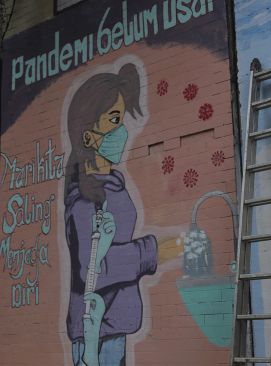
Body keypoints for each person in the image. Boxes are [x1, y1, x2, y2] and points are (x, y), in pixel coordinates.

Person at [64, 63, 158, 366]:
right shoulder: (82, 201)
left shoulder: (113, 187)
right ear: (89, 135)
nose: (122, 130)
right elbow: (92, 270)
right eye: (114, 119)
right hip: (95, 333)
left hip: (113, 325)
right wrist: (153, 251)